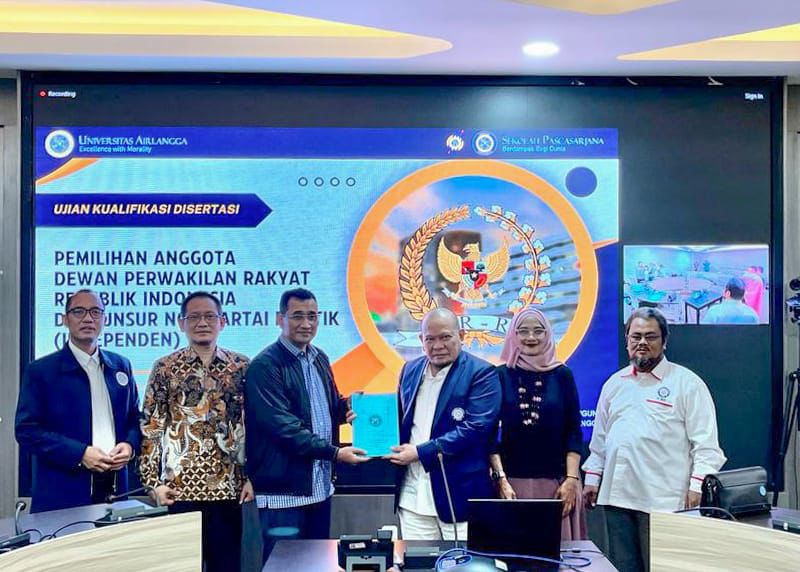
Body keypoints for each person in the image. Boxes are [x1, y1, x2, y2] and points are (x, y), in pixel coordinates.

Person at [583, 307, 726, 572]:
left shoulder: (687, 383)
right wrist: (592, 479)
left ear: (664, 341)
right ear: (627, 340)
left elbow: (707, 446)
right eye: (636, 336)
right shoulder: (614, 384)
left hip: (664, 501)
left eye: (650, 336)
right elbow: (600, 441)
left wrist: (696, 487)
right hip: (617, 500)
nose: (642, 342)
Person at [246, 288, 368, 563]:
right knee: (285, 566)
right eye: (297, 316)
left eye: (312, 316)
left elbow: (325, 408)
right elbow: (283, 427)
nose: (306, 324)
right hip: (284, 492)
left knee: (317, 564)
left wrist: (349, 407)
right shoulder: (265, 366)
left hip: (319, 488)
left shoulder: (319, 357)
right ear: (280, 319)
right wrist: (335, 453)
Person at [139, 291, 252, 572]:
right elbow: (152, 427)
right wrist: (153, 484)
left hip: (229, 489)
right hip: (179, 490)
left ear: (223, 322)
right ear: (181, 323)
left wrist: (253, 477)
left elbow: (253, 425)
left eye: (210, 316)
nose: (202, 323)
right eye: (194, 317)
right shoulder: (165, 368)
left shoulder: (241, 366)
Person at [15, 289, 140, 512]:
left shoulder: (121, 365)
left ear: (104, 319)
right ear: (65, 319)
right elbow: (27, 431)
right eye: (79, 311)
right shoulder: (41, 371)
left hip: (115, 490)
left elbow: (135, 418)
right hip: (62, 494)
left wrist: (129, 445)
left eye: (95, 312)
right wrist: (80, 453)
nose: (88, 318)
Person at [389, 308, 501, 540]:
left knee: (464, 560)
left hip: (459, 497)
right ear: (421, 340)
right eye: (430, 339)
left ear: (461, 335)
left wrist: (420, 452)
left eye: (445, 337)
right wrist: (366, 419)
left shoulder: (482, 373)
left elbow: (476, 429)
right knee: (417, 560)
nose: (437, 345)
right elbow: (398, 419)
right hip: (412, 497)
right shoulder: (409, 370)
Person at [489, 308, 585, 540]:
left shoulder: (563, 375)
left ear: (548, 334)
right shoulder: (500, 375)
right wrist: (501, 479)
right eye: (523, 331)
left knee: (558, 554)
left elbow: (574, 431)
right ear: (513, 335)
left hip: (558, 485)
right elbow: (489, 434)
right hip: (512, 485)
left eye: (538, 331)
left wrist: (572, 480)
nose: (531, 337)